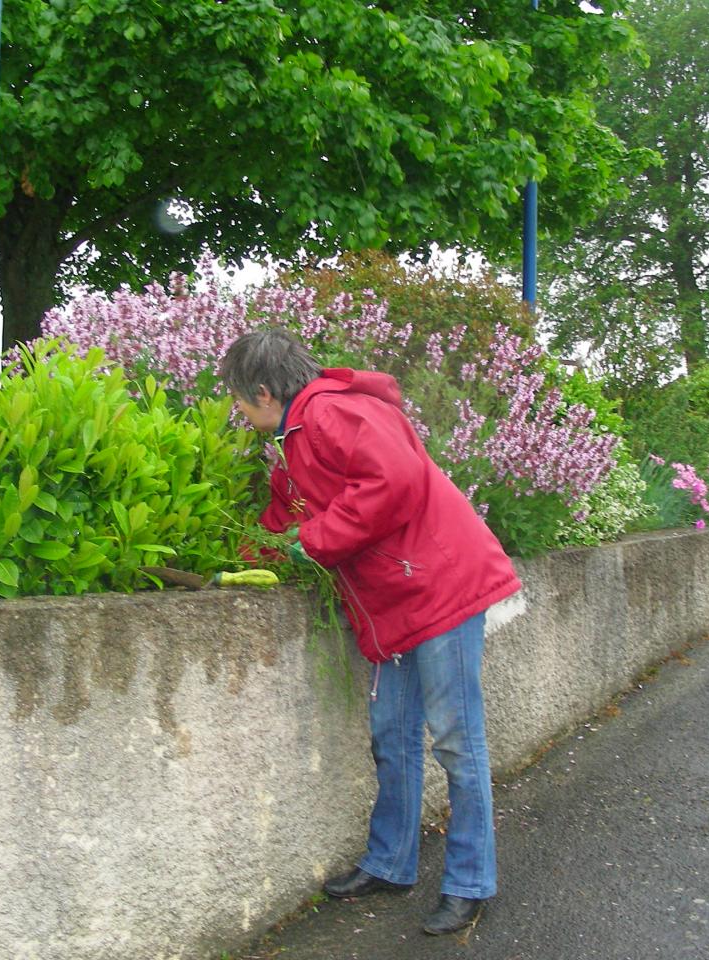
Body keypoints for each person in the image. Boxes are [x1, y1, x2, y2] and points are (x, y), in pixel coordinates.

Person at [220, 328, 521, 936]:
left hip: (443, 587)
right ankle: (390, 862)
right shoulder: (296, 438)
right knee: (393, 735)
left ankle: (469, 883)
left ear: (261, 392)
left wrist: (315, 543)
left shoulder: (335, 412)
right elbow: (288, 516)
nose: (239, 415)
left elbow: (396, 482)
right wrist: (244, 557)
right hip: (397, 603)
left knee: (457, 743)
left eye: (239, 403)